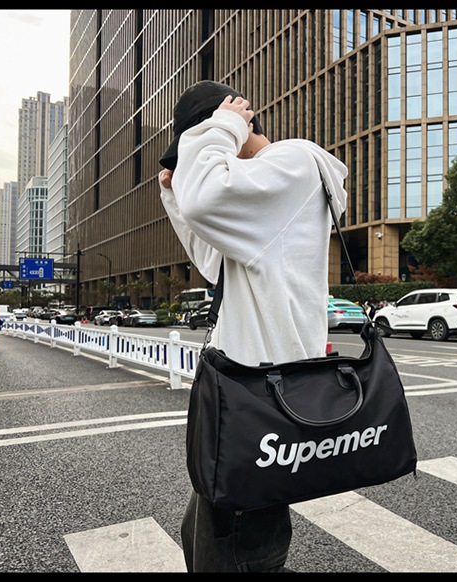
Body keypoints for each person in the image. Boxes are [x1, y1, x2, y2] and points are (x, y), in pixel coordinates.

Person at [157, 80, 348, 572]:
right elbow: (214, 263)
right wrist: (176, 197)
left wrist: (223, 127)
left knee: (237, 550)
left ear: (234, 125)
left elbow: (207, 201)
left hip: (261, 395)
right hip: (242, 392)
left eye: (200, 143)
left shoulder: (292, 162)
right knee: (205, 536)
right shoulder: (262, 193)